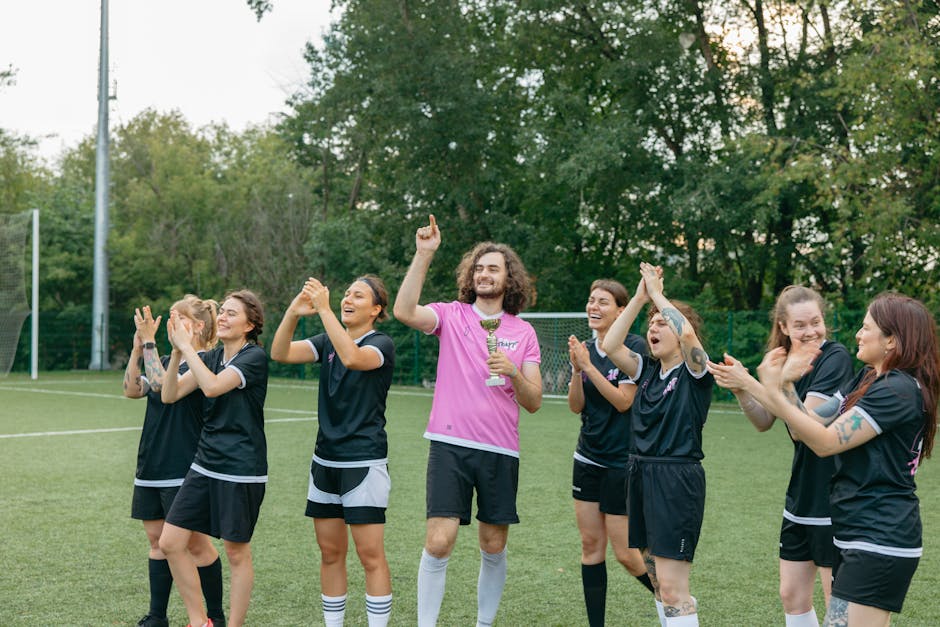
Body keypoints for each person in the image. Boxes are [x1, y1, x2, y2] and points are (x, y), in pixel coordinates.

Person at [750, 292, 939, 626]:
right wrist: (788, 385)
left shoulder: (896, 390)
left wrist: (771, 388)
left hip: (879, 537)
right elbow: (812, 423)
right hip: (858, 533)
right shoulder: (870, 379)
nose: (858, 335)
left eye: (867, 328)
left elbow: (824, 443)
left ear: (892, 339)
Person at [393, 215, 543, 627]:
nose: (483, 273)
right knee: (439, 542)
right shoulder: (452, 315)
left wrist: (513, 371)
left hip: (500, 450)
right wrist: (424, 254)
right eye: (478, 268)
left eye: (493, 268)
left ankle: (483, 624)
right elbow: (404, 311)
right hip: (449, 444)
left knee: (493, 544)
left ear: (508, 278)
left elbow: (533, 402)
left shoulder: (524, 332)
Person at [706, 286, 853, 627]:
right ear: (784, 327)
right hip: (801, 494)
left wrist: (762, 383)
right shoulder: (779, 358)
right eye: (800, 325)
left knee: (838, 606)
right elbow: (763, 421)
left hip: (835, 496)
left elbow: (807, 427)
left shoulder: (835, 357)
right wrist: (743, 390)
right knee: (792, 594)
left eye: (816, 322)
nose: (811, 331)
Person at [270, 275, 395, 627]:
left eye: (359, 295)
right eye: (346, 294)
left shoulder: (381, 343)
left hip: (363, 462)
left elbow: (353, 358)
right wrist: (294, 313)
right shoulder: (327, 340)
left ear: (376, 309)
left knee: (370, 555)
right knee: (330, 553)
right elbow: (279, 353)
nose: (347, 299)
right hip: (324, 461)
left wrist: (323, 309)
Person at [601, 262, 712, 627]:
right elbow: (610, 343)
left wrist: (660, 296)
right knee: (658, 581)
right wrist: (638, 298)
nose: (653, 326)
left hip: (676, 477)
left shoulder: (696, 371)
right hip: (640, 473)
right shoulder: (646, 370)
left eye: (662, 321)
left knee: (673, 586)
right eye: (651, 322)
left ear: (681, 330)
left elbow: (692, 340)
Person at [159, 290, 268, 627]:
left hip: (240, 469)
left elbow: (213, 387)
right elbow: (170, 394)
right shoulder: (213, 355)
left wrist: (189, 348)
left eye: (232, 314)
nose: (222, 318)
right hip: (204, 464)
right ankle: (200, 622)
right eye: (222, 312)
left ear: (249, 324)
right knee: (170, 542)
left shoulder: (254, 358)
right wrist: (178, 350)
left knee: (236, 552)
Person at [123, 299, 225, 627]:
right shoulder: (165, 359)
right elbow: (132, 389)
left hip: (184, 465)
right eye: (171, 319)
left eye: (179, 320)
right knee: (157, 540)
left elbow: (159, 385)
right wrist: (139, 348)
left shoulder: (206, 362)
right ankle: (157, 616)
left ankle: (215, 616)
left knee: (195, 544)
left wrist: (150, 342)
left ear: (197, 326)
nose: (171, 324)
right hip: (151, 462)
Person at [566, 279, 654, 627]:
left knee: (628, 556)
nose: (594, 307)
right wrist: (576, 369)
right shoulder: (585, 349)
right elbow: (576, 407)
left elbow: (623, 402)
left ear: (621, 311)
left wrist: (588, 366)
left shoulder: (632, 348)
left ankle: (673, 602)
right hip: (587, 459)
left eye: (603, 302)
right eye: (591, 300)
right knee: (590, 546)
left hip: (622, 462)